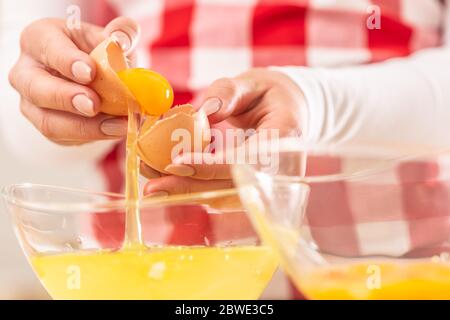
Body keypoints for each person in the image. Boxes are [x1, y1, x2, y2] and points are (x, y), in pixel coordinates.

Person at [5, 0, 450, 297]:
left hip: (394, 268)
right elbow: (28, 132)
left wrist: (317, 102)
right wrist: (71, 100)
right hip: (157, 278)